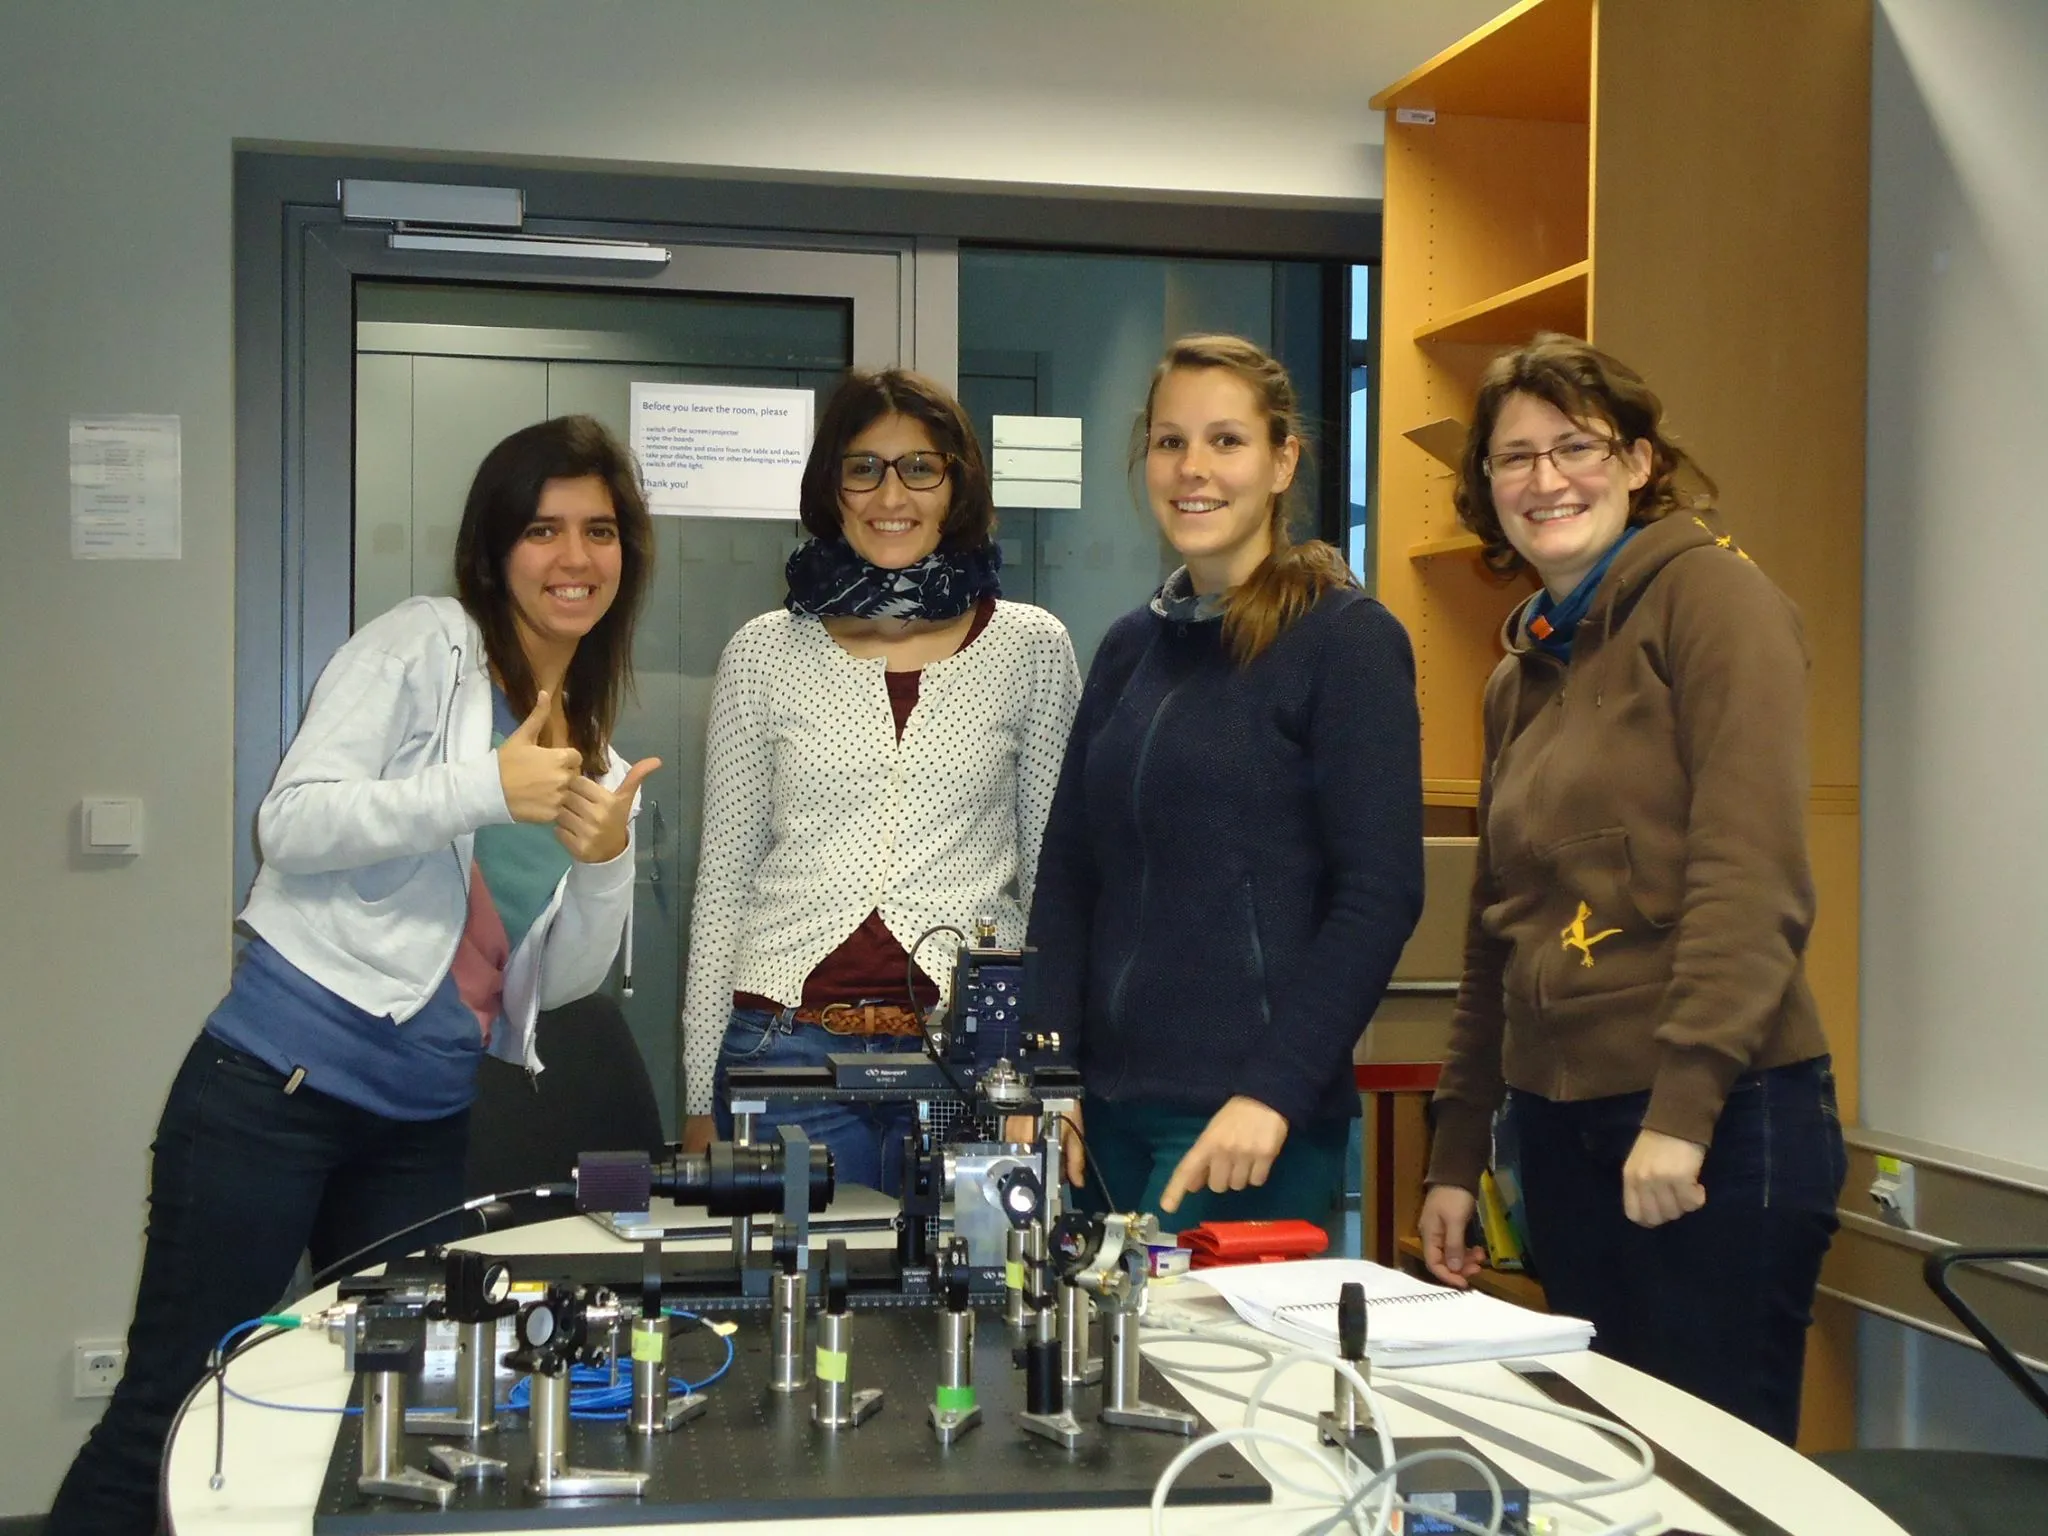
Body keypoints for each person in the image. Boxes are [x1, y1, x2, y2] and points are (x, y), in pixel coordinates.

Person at [46, 415, 657, 1535]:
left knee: (398, 1419)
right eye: (542, 530)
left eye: (600, 532)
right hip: (272, 1095)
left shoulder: (597, 752)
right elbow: (293, 823)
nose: (575, 559)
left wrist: (606, 859)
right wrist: (483, 788)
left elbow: (556, 987)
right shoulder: (427, 645)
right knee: (173, 1407)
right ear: (492, 550)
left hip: (420, 1123)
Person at [1416, 334, 1845, 1444]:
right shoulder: (1521, 673)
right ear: (1485, 491)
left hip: (1714, 1124)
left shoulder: (1712, 602)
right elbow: (1491, 936)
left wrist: (1683, 1111)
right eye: (1513, 459)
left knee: (1710, 1481)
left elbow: (1750, 878)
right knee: (1607, 1476)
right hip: (1563, 1138)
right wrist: (1456, 1152)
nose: (1544, 480)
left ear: (1640, 462)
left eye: (1575, 447)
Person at [1026, 334, 1423, 1238]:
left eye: (1226, 441)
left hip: (1244, 1127)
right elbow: (1069, 876)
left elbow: (1380, 894)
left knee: (1212, 1382)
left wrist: (1276, 1092)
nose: (1192, 469)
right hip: (1101, 1122)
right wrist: (1052, 1076)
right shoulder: (1133, 645)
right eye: (1170, 442)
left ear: (1283, 460)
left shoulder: (1346, 642)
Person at [679, 368, 1079, 1192]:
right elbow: (722, 885)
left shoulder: (1031, 648)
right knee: (804, 1298)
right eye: (863, 467)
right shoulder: (763, 653)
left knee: (976, 1299)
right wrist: (695, 1098)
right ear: (833, 487)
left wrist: (1056, 1070)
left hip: (973, 1055)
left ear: (955, 485)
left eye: (919, 467)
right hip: (786, 1049)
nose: (889, 493)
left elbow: (1054, 879)